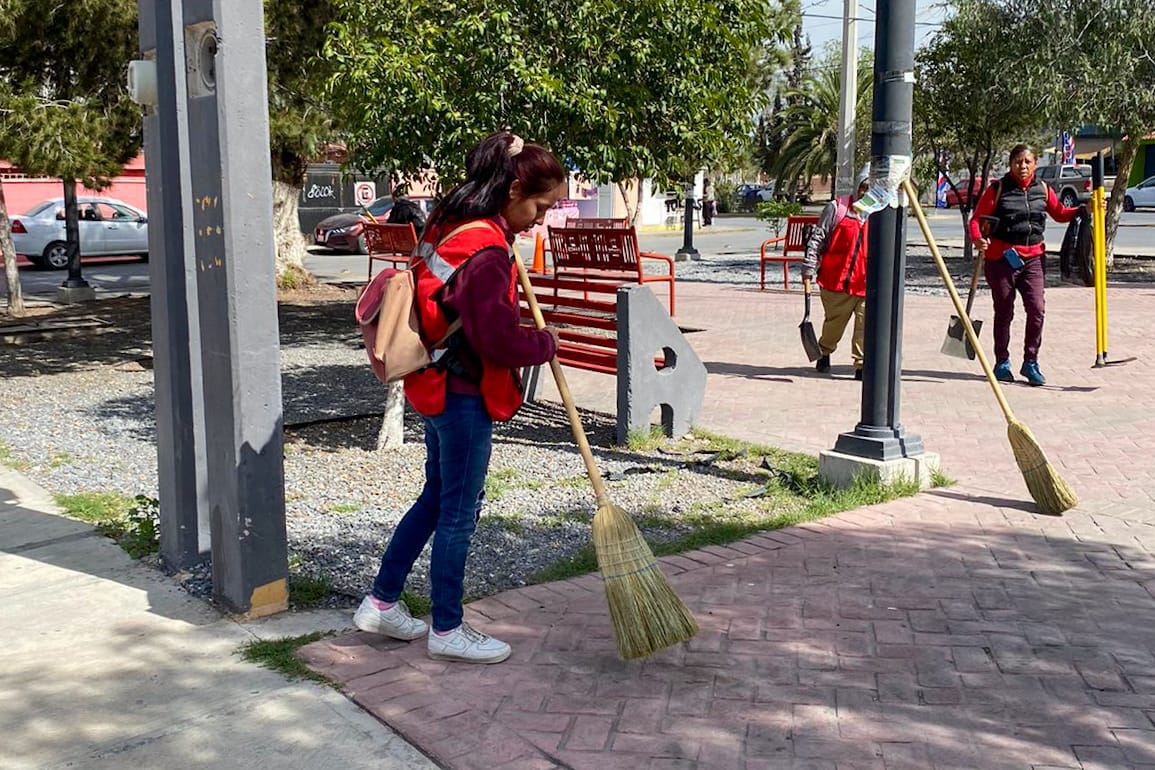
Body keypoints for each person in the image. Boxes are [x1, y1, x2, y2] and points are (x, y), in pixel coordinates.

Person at [354, 131, 565, 664]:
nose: (541, 219)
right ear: (515, 189)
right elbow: (497, 339)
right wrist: (544, 342)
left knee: (435, 498)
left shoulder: (452, 219)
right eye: (540, 207)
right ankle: (447, 628)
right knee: (457, 512)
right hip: (463, 392)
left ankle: (381, 601)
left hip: (432, 382)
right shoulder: (488, 251)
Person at [969, 144, 1082, 386]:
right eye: (1018, 162)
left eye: (1027, 162)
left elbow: (1060, 213)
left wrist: (1084, 208)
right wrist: (978, 239)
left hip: (1033, 259)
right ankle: (1002, 362)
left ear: (1035, 163)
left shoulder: (1042, 188)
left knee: (1037, 309)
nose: (1022, 166)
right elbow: (976, 220)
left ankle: (1031, 361)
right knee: (1004, 311)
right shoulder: (998, 189)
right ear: (1011, 164)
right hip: (1001, 260)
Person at [801, 168, 871, 380]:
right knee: (834, 324)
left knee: (864, 325)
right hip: (835, 281)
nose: (866, 192)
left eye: (871, 188)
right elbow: (817, 239)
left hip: (865, 282)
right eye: (863, 187)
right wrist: (808, 267)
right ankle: (824, 351)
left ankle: (861, 365)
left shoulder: (879, 213)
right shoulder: (837, 208)